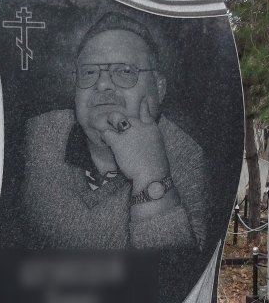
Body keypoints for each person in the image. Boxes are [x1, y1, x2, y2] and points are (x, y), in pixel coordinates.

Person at [14, 13, 207, 250]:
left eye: (125, 71)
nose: (103, 84)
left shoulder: (189, 158)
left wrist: (150, 176)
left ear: (159, 88)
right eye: (89, 72)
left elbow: (177, 267)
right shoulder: (37, 136)